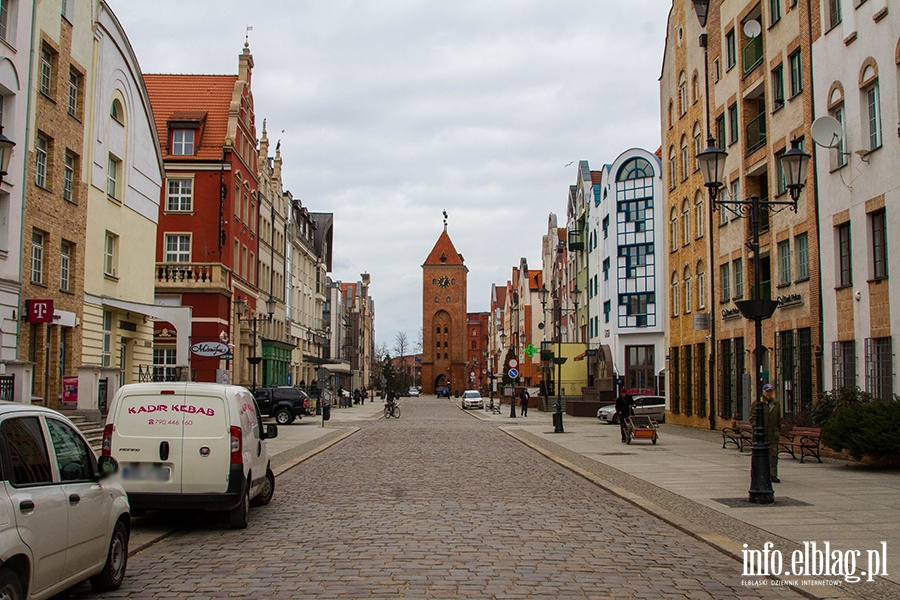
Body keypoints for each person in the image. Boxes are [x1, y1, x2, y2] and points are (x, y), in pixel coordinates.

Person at [750, 382, 782, 483]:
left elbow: (778, 420)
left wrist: (777, 431)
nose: (769, 393)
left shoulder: (775, 404)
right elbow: (752, 418)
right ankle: (756, 472)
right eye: (767, 391)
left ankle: (773, 474)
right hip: (761, 434)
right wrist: (758, 428)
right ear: (763, 392)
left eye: (770, 391)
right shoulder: (757, 403)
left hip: (772, 433)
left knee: (773, 455)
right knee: (758, 454)